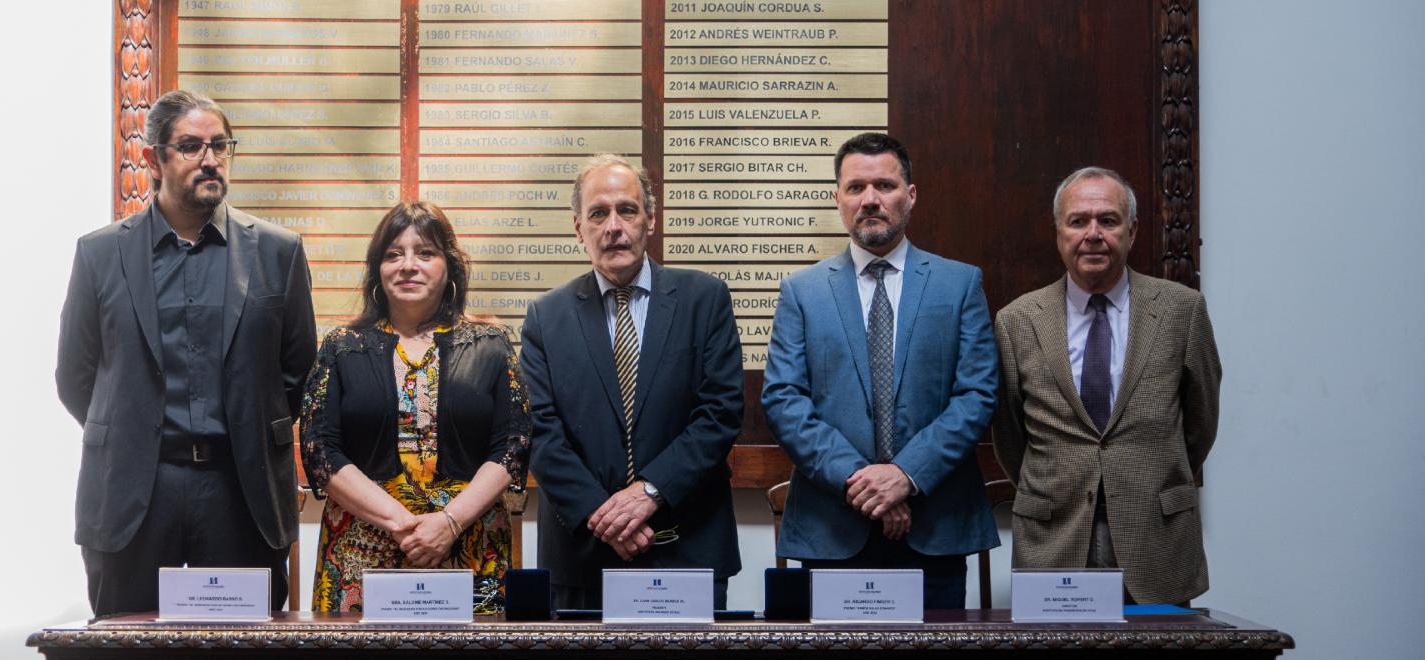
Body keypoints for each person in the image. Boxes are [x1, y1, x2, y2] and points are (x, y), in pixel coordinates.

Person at [56, 90, 317, 616]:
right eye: (192, 146)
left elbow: (298, 370)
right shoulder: (100, 253)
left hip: (240, 490)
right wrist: (131, 428)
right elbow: (75, 375)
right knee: (125, 646)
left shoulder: (277, 251)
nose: (211, 159)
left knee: (243, 647)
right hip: (135, 490)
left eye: (221, 146)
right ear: (154, 159)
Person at [761, 132, 1000, 609]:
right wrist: (865, 482)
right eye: (855, 188)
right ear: (838, 199)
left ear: (910, 196)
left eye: (885, 185)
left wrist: (906, 475)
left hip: (934, 527)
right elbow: (784, 400)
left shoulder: (960, 284)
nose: (870, 199)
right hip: (832, 526)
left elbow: (976, 395)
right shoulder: (801, 292)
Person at [521, 154, 744, 609]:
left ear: (651, 219)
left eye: (627, 209)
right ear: (578, 228)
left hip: (688, 546)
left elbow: (720, 414)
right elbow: (541, 433)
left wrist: (647, 494)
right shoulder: (546, 317)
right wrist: (603, 516)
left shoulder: (705, 299)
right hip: (582, 553)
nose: (613, 227)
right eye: (598, 214)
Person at [993, 167, 1221, 604]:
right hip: (1053, 538)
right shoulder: (1016, 321)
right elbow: (1008, 433)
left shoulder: (1181, 310)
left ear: (1131, 231)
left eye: (1108, 220)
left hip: (1157, 536)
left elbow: (1201, 421)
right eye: (1078, 221)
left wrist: (1150, 472)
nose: (1093, 234)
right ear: (1058, 232)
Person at [298, 201, 530, 614]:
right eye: (393, 254)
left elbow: (513, 446)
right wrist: (401, 524)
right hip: (361, 552)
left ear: (449, 267)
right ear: (377, 269)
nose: (408, 265)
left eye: (425, 253)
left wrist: (449, 522)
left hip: (469, 546)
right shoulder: (341, 347)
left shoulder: (490, 343)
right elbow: (320, 451)